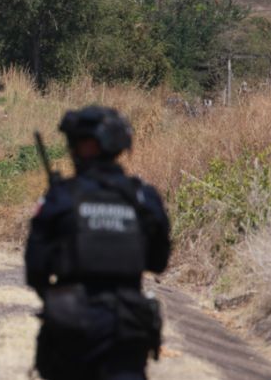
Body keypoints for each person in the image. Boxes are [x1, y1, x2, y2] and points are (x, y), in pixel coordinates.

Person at [25, 106, 171, 380]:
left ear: (88, 146)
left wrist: (58, 299)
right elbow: (158, 262)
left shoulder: (61, 197)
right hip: (127, 322)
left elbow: (36, 268)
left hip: (71, 322)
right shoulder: (144, 197)